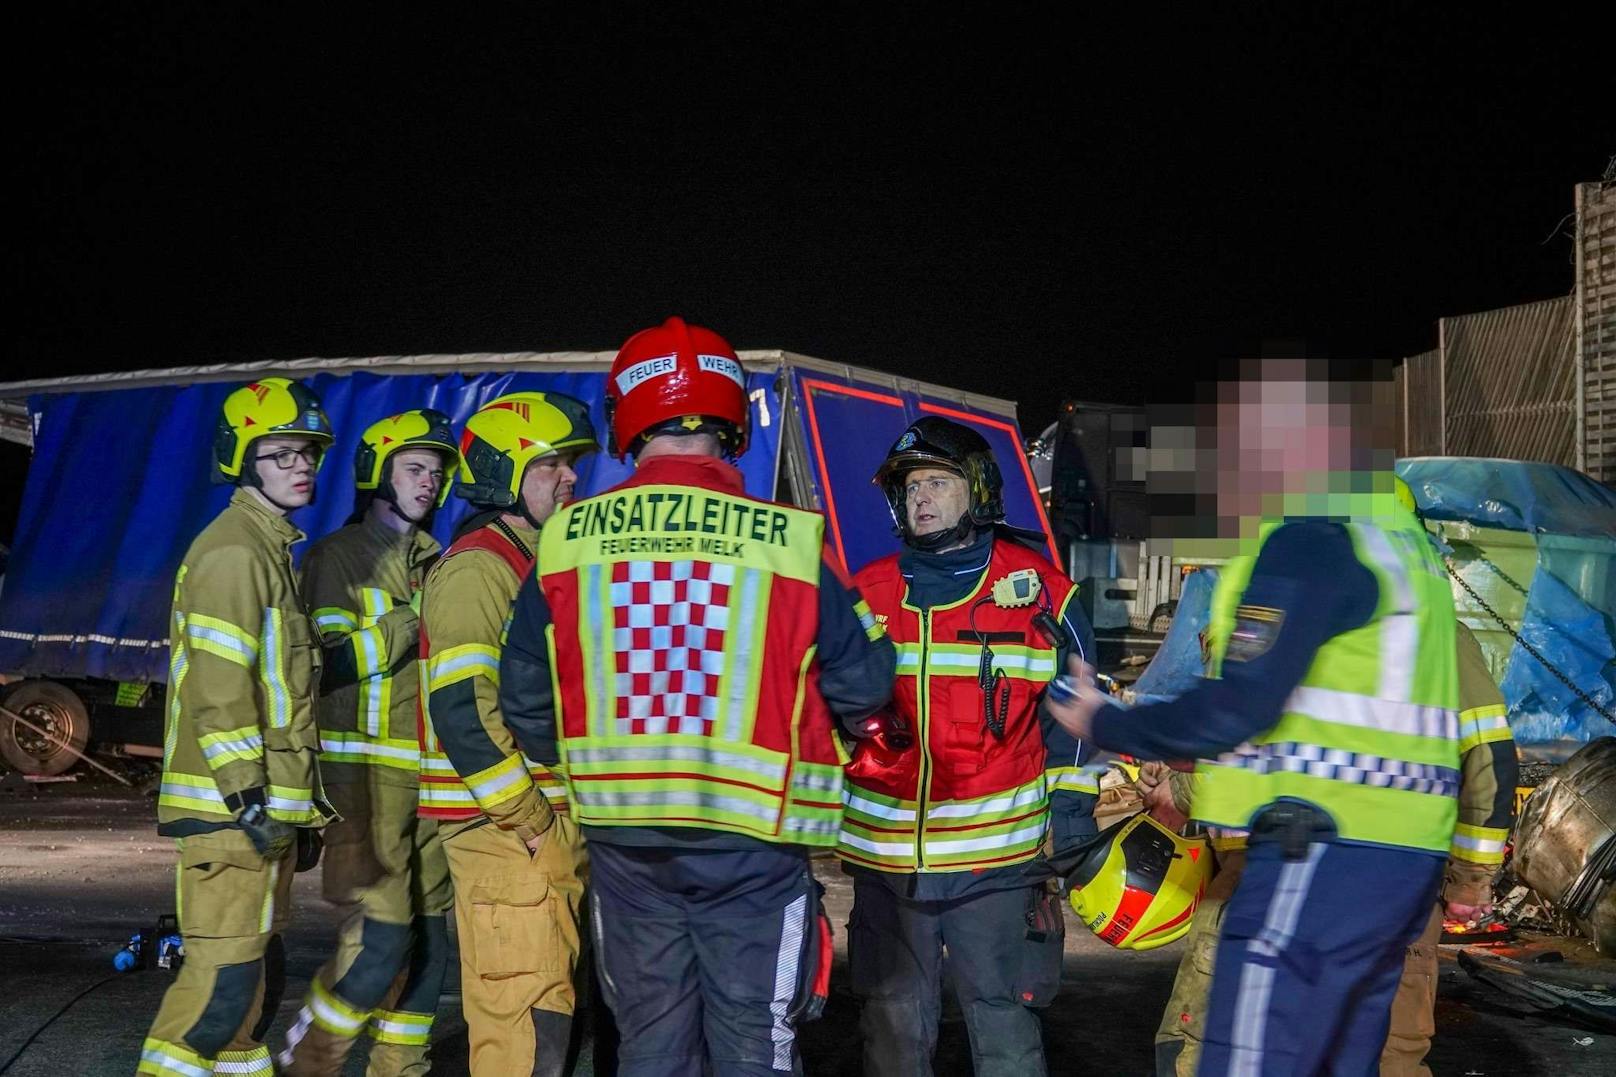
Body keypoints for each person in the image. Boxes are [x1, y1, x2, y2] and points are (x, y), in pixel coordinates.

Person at [498, 316, 897, 1076]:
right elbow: (866, 684)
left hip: (624, 850)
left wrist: (595, 764)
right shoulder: (790, 542)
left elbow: (526, 701)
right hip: (756, 850)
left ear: (626, 420)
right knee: (757, 1046)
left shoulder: (565, 543)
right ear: (734, 423)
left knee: (651, 1047)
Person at [1047, 358, 1464, 1076]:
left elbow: (1238, 709)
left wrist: (1106, 720)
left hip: (1318, 846)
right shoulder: (1404, 552)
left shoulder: (1311, 540)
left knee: (1243, 1059)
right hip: (1399, 864)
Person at [837, 415, 1098, 1077]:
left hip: (997, 869)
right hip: (887, 869)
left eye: (936, 480)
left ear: (977, 487)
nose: (919, 497)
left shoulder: (1042, 597)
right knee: (893, 1042)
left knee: (1006, 1035)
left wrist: (1068, 829)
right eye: (909, 485)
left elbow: (1075, 729)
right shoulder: (860, 597)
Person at [138, 377, 335, 1076]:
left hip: (259, 813)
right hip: (229, 815)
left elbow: (284, 695)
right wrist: (249, 797)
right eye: (282, 453)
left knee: (247, 1000)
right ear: (245, 459)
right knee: (216, 998)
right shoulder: (234, 553)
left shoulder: (270, 550)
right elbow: (221, 696)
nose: (301, 465)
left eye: (307, 452)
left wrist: (295, 808)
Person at [414, 391, 598, 1076]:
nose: (572, 477)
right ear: (503, 471)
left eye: (572, 463)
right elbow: (463, 709)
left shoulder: (535, 563)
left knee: (547, 1014)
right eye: (552, 463)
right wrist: (531, 820)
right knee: (522, 1031)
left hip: (537, 830)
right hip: (505, 832)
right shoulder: (479, 568)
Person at [278, 409, 459, 1075]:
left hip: (433, 780)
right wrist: (411, 619)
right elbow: (329, 663)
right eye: (415, 469)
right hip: (364, 781)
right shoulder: (337, 557)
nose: (429, 483)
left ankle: (399, 1069)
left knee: (433, 944)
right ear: (377, 474)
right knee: (378, 945)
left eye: (437, 474)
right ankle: (308, 1064)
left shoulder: (439, 562)